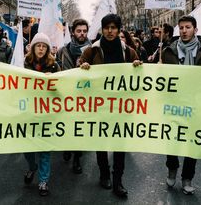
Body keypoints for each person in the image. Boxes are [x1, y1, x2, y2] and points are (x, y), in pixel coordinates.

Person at [79, 14, 141, 199]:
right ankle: (104, 173)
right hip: (99, 106)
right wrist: (82, 66)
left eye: (114, 27)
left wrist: (138, 66)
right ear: (102, 29)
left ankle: (117, 181)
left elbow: (140, 75)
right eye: (107, 27)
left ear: (119, 29)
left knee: (120, 144)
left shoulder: (128, 52)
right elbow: (79, 68)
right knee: (101, 142)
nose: (110, 31)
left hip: (122, 106)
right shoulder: (92, 51)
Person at [161, 15, 201, 195]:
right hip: (174, 104)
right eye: (181, 28)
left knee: (192, 141)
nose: (184, 31)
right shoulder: (169, 51)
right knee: (172, 139)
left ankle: (187, 178)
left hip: (197, 104)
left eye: (187, 27)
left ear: (195, 29)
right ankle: (172, 168)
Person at [23, 32, 60, 196]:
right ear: (33, 48)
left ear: (47, 49)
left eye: (44, 46)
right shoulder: (25, 63)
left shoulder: (54, 65)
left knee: (44, 150)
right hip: (29, 113)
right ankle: (32, 167)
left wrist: (53, 80)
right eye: (38, 45)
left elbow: (62, 87)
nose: (40, 49)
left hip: (47, 114)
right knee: (27, 148)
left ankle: (43, 181)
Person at [56, 18, 91, 174]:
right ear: (72, 32)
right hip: (65, 97)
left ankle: (77, 158)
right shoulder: (62, 51)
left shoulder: (93, 50)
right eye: (79, 31)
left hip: (85, 98)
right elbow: (56, 69)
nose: (82, 34)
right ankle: (66, 146)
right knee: (67, 126)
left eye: (84, 31)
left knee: (79, 129)